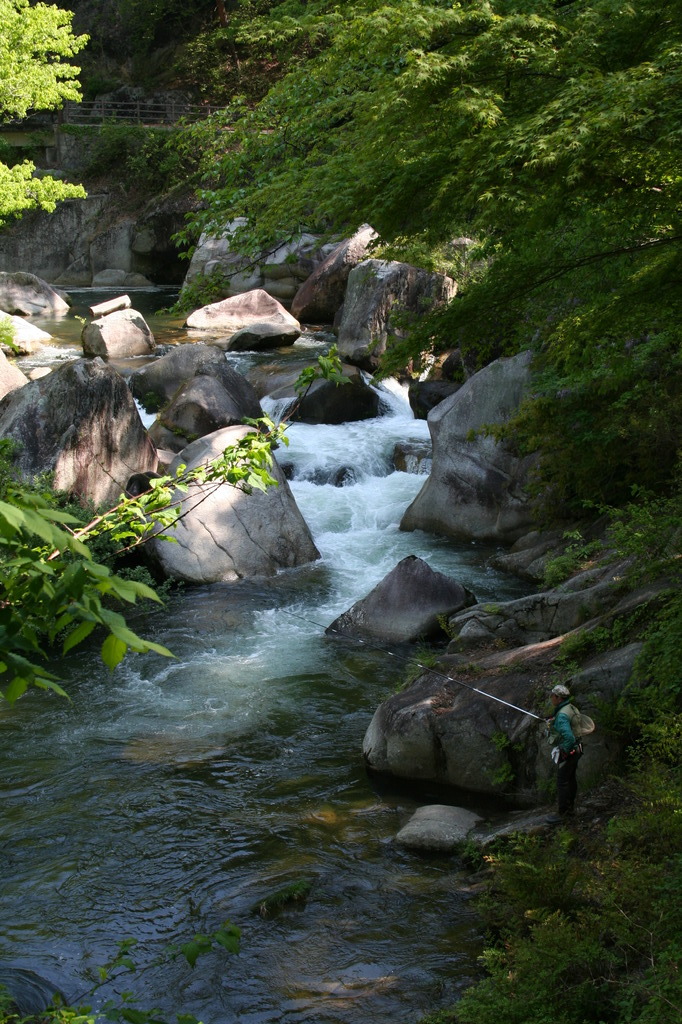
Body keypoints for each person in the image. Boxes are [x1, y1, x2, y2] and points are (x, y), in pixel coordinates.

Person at [546, 683, 583, 824]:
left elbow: (568, 737)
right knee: (571, 778)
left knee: (562, 781)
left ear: (558, 698)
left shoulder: (562, 715)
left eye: (552, 695)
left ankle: (563, 814)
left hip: (571, 750)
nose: (551, 698)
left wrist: (564, 752)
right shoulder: (571, 708)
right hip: (578, 748)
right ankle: (571, 809)